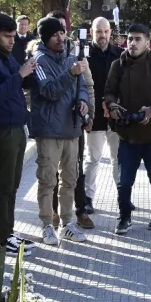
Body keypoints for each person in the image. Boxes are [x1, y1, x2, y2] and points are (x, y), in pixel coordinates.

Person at [102, 23, 151, 235]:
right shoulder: (118, 65)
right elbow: (108, 92)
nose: (133, 43)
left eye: (138, 39)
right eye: (130, 39)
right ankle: (124, 216)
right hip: (127, 134)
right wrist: (112, 106)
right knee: (124, 181)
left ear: (147, 42)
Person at [0, 12, 39, 253]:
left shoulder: (4, 54)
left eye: (14, 36)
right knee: (3, 184)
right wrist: (21, 74)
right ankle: (3, 237)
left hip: (17, 124)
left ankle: (9, 232)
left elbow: (19, 82)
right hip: (2, 127)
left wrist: (30, 72)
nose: (12, 40)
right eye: (7, 36)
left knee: (12, 184)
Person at [29, 16, 91, 246]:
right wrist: (71, 73)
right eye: (55, 34)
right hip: (48, 130)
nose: (61, 37)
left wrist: (83, 101)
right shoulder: (39, 60)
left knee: (70, 179)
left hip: (71, 128)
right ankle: (47, 225)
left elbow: (82, 87)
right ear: (45, 37)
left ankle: (67, 223)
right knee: (47, 180)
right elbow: (49, 91)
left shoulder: (72, 59)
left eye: (63, 32)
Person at [86, 16, 123, 210]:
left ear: (110, 32)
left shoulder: (120, 54)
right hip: (95, 116)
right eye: (99, 31)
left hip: (116, 115)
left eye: (106, 31)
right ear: (92, 32)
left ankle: (122, 195)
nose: (103, 35)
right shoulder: (84, 56)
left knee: (118, 158)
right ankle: (88, 197)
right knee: (93, 159)